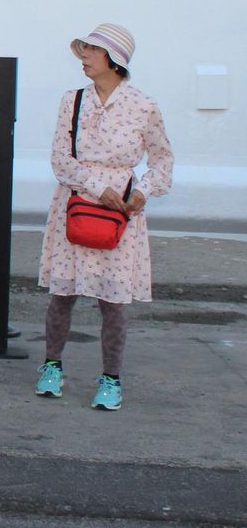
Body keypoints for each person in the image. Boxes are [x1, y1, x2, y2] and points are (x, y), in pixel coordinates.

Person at [34, 23, 172, 411]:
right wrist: (97, 186)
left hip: (121, 213)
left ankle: (111, 378)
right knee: (63, 294)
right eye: (85, 50)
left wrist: (143, 190)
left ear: (115, 59)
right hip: (77, 200)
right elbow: (61, 158)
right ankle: (52, 366)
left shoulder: (144, 106)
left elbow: (163, 158)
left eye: (93, 50)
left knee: (113, 301)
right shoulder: (72, 100)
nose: (85, 58)